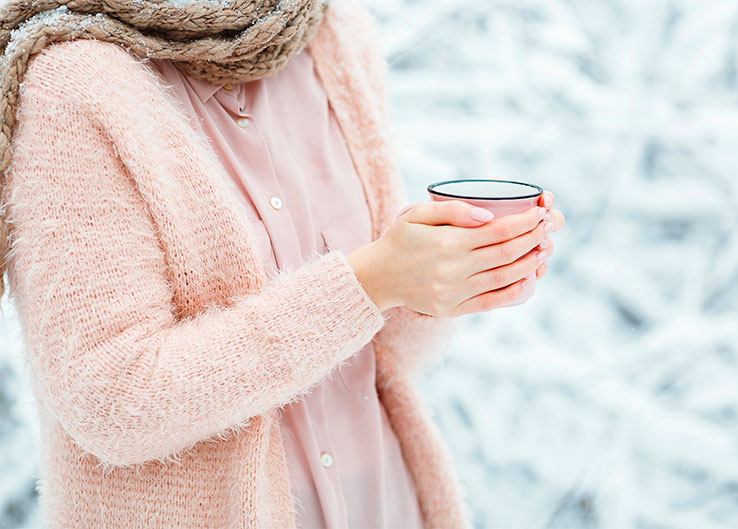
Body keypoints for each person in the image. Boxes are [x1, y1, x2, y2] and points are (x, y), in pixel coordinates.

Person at [0, 1, 565, 528]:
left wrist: (444, 275)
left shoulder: (331, 31)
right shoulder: (72, 85)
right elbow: (114, 403)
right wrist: (369, 284)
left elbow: (383, 355)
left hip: (384, 502)